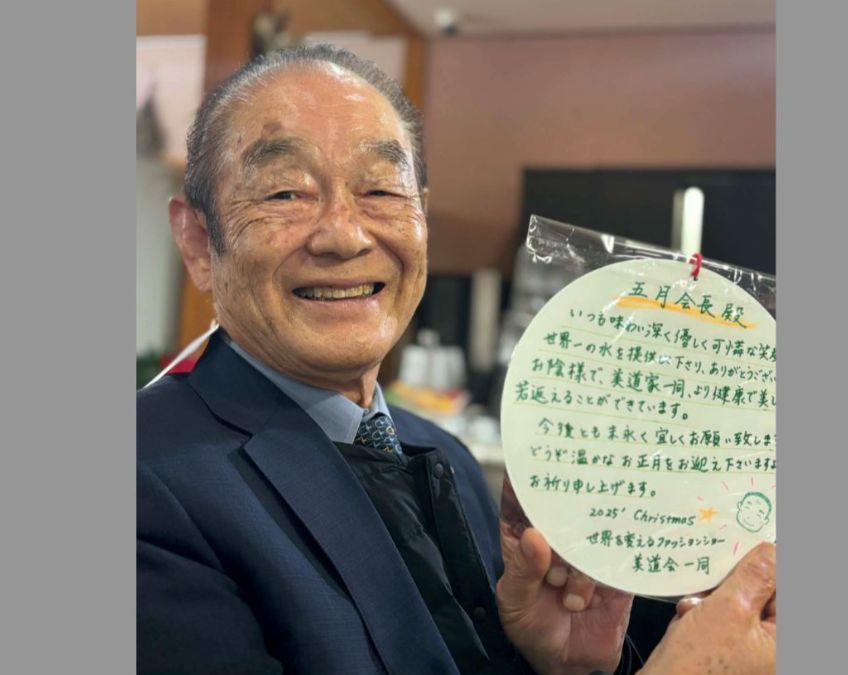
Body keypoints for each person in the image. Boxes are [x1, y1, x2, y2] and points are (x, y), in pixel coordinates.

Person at [137, 44, 775, 675]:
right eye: (285, 193)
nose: (345, 235)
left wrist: (559, 665)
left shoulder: (449, 458)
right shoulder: (144, 486)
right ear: (198, 241)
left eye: (381, 189)